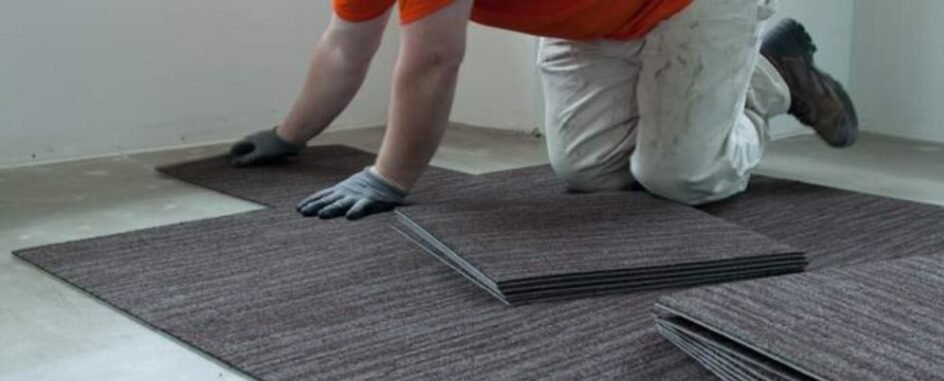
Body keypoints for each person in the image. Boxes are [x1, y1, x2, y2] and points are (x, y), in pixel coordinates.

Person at [229, 0, 857, 221]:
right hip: (591, 24)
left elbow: (434, 61)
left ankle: (771, 80)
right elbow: (345, 46)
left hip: (691, 4)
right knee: (589, 175)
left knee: (679, 178)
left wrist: (389, 177)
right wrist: (289, 136)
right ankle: (688, 103)